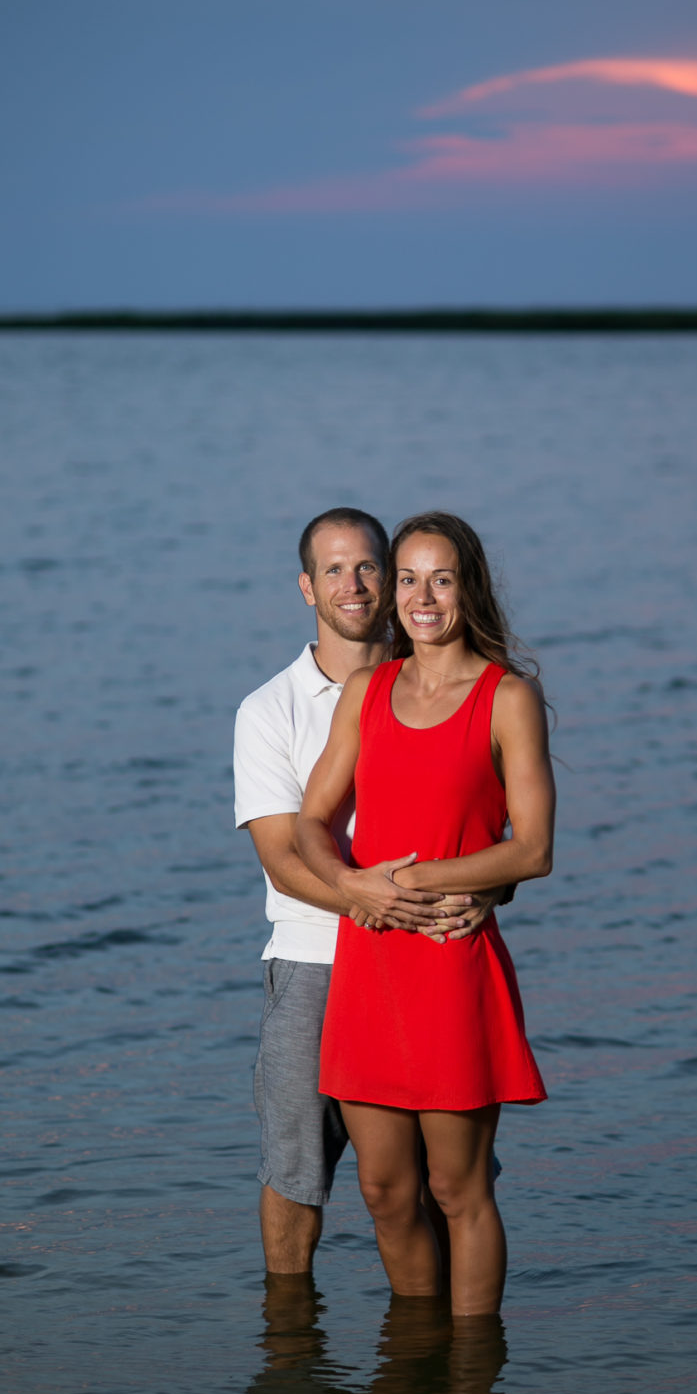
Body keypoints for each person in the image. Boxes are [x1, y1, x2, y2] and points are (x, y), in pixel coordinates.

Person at [298, 512, 555, 1317]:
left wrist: (414, 880)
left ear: (467, 586)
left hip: (450, 960)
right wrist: (354, 886)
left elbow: (532, 849)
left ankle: (474, 1368)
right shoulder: (367, 691)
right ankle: (419, 1351)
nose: (422, 597)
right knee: (383, 1188)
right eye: (407, 579)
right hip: (370, 964)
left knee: (457, 1187)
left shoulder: (507, 697)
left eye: (440, 579)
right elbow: (310, 823)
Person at [234, 508, 493, 1277]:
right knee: (296, 1173)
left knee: (446, 1185)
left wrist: (492, 890)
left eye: (369, 567)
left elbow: (494, 828)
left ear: (391, 577)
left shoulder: (445, 682)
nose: (354, 584)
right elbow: (283, 859)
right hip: (315, 962)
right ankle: (290, 1336)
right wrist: (365, 898)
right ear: (306, 587)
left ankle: (447, 1343)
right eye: (334, 570)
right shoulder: (269, 709)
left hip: (428, 955)